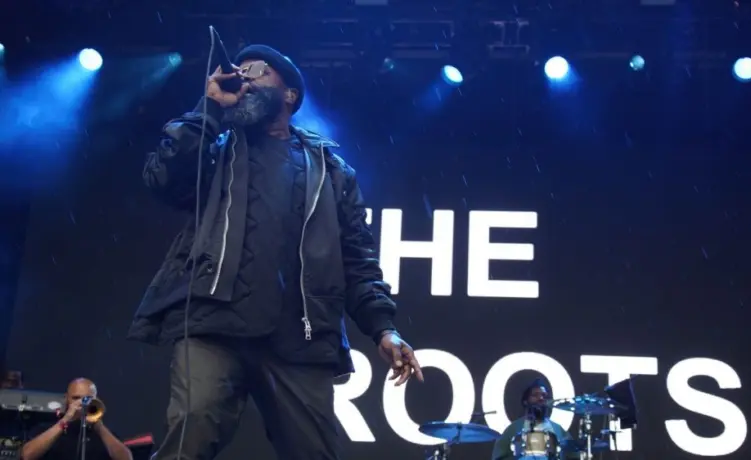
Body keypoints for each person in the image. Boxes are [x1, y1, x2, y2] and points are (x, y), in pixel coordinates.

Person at [126, 44, 424, 460]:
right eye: (238, 71)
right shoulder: (217, 147)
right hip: (214, 323)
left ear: (289, 95)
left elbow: (357, 259)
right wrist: (208, 110)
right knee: (189, 437)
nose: (242, 77)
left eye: (256, 72)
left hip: (298, 336)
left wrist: (383, 328)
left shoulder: (332, 172)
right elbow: (162, 178)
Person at [21, 378, 132, 460]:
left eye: (87, 398)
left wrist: (99, 427)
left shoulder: (103, 434)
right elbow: (27, 455)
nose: (82, 403)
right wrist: (65, 420)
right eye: (76, 398)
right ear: (66, 399)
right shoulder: (45, 428)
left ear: (96, 400)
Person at [491, 379, 572, 460]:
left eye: (544, 396)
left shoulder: (558, 430)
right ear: (525, 401)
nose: (540, 398)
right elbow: (498, 457)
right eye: (535, 395)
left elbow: (573, 454)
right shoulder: (513, 429)